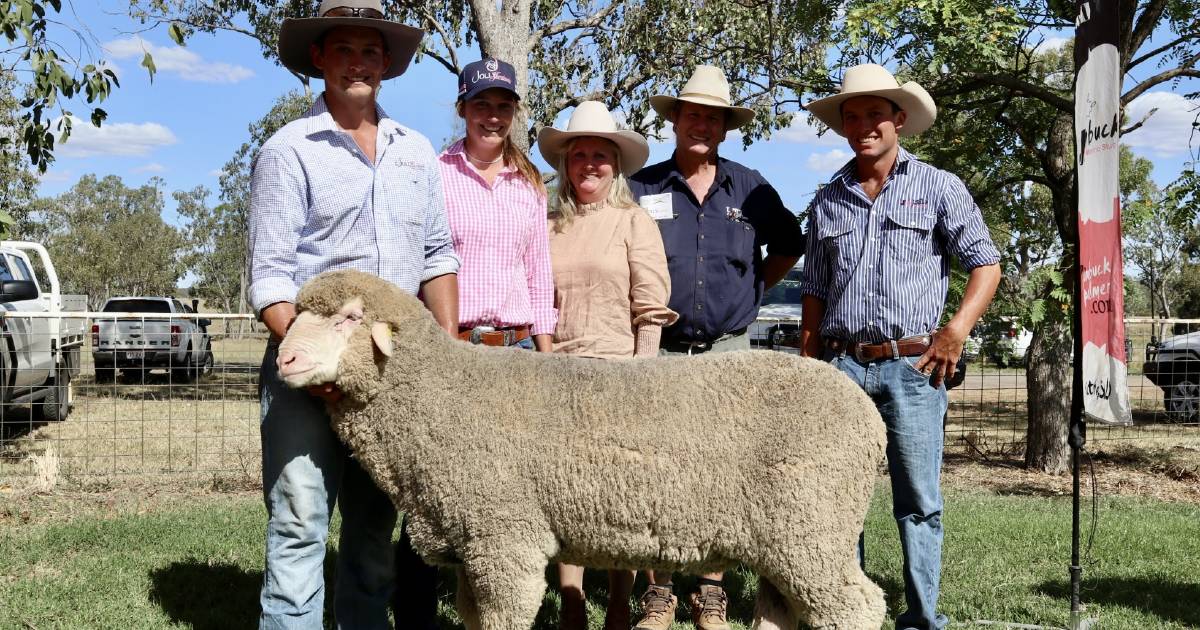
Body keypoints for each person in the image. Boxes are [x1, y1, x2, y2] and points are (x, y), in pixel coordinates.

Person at [248, 1, 460, 627]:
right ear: (318, 58)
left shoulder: (416, 152)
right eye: (343, 49)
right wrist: (320, 362)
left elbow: (436, 255)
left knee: (374, 530)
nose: (357, 63)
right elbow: (270, 279)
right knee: (300, 520)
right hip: (307, 368)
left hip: (389, 377)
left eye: (370, 51)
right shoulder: (288, 151)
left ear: (388, 63)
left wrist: (443, 353)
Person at [799, 63, 1001, 630]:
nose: (864, 124)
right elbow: (814, 288)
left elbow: (986, 263)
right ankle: (844, 614)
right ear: (842, 125)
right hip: (840, 365)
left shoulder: (938, 186)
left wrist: (954, 332)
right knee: (840, 500)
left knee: (918, 501)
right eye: (853, 115)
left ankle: (921, 618)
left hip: (915, 365)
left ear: (899, 120)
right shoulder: (828, 198)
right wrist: (809, 362)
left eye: (875, 114)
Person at [627, 65, 805, 630]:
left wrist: (753, 288)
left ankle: (710, 590)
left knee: (723, 474)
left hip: (729, 352)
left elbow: (790, 245)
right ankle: (657, 593)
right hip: (658, 351)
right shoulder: (641, 187)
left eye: (713, 117)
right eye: (692, 114)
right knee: (653, 470)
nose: (701, 124)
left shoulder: (750, 187)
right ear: (674, 121)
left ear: (725, 128)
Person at [391, 56, 557, 630]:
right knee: (434, 489)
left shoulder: (531, 184)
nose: (493, 116)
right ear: (462, 109)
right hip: (452, 348)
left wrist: (547, 349)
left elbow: (539, 272)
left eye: (503, 106)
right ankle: (414, 614)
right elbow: (419, 263)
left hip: (517, 356)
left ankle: (498, 613)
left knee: (512, 496)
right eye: (482, 105)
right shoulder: (432, 175)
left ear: (514, 112)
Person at [536, 100, 678, 630]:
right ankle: (572, 602)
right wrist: (546, 363)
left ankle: (619, 603)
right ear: (565, 163)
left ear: (615, 164)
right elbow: (536, 301)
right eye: (580, 154)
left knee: (618, 496)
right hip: (557, 371)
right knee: (563, 492)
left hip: (620, 370)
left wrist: (642, 373)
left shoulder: (633, 220)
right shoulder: (548, 224)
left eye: (601, 154)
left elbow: (650, 302)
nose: (590, 164)